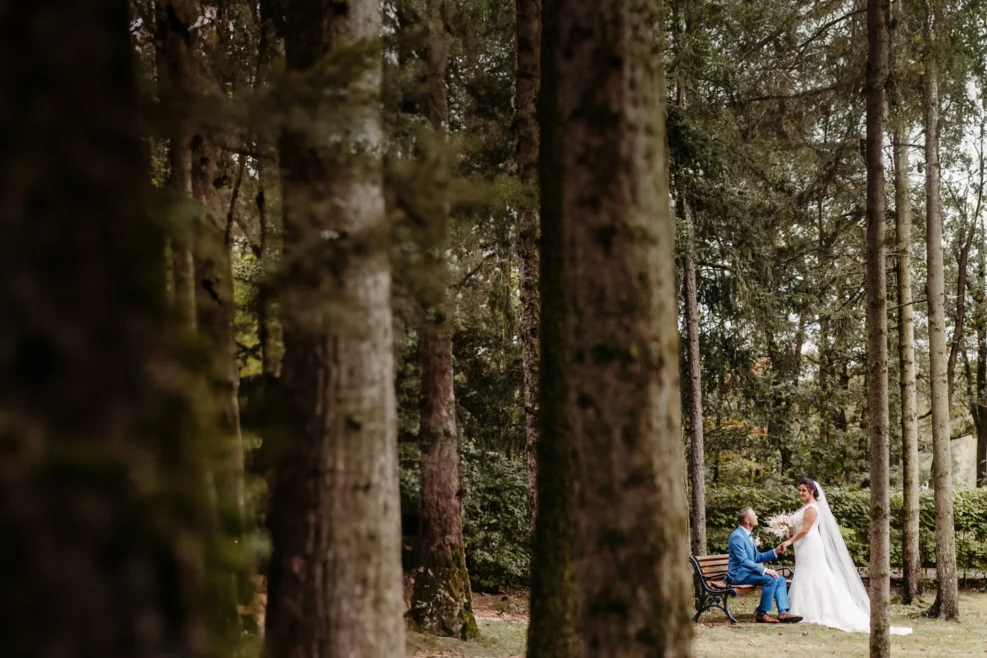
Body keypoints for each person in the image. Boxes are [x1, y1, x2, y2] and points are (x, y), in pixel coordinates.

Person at [780, 479, 912, 635]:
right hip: (801, 546)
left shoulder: (811, 508)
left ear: (812, 491)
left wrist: (788, 541)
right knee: (805, 574)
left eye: (804, 490)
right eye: (799, 490)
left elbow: (805, 530)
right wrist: (786, 528)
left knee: (815, 574)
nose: (800, 493)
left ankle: (815, 610)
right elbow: (798, 528)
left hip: (810, 546)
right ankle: (801, 609)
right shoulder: (804, 507)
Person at [727, 507, 803, 624]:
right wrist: (765, 570)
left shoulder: (747, 535)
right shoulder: (737, 536)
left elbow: (756, 558)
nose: (757, 517)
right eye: (754, 515)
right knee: (771, 579)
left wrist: (775, 551)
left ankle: (783, 613)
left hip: (748, 573)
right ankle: (761, 614)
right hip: (739, 575)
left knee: (780, 579)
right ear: (747, 520)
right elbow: (744, 561)